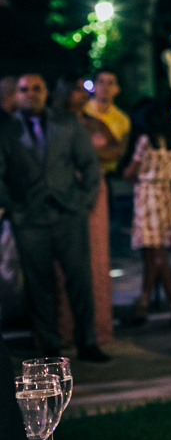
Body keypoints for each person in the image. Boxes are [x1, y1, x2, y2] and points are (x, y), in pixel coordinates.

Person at [0, 73, 107, 361]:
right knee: (38, 284)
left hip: (68, 213)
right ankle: (49, 343)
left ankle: (87, 342)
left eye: (36, 88)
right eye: (24, 89)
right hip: (29, 217)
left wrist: (84, 201)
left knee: (79, 280)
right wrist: (12, 207)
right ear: (16, 95)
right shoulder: (6, 130)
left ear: (46, 92)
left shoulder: (67, 122)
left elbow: (89, 164)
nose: (30, 94)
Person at [54, 74, 119, 345]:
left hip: (95, 189)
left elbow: (116, 149)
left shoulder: (94, 123)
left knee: (96, 255)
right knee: (64, 258)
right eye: (78, 89)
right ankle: (64, 328)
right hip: (65, 188)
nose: (84, 95)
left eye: (85, 89)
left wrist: (89, 155)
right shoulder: (54, 122)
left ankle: (96, 327)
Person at [122, 102, 171, 326]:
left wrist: (135, 175)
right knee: (153, 254)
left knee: (157, 255)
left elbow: (130, 172)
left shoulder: (145, 141)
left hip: (147, 197)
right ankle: (144, 304)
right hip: (166, 195)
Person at [84, 68, 131, 176]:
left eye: (110, 83)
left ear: (117, 89)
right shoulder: (83, 111)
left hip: (108, 174)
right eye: (101, 82)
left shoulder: (123, 119)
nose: (105, 87)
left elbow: (120, 151)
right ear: (94, 86)